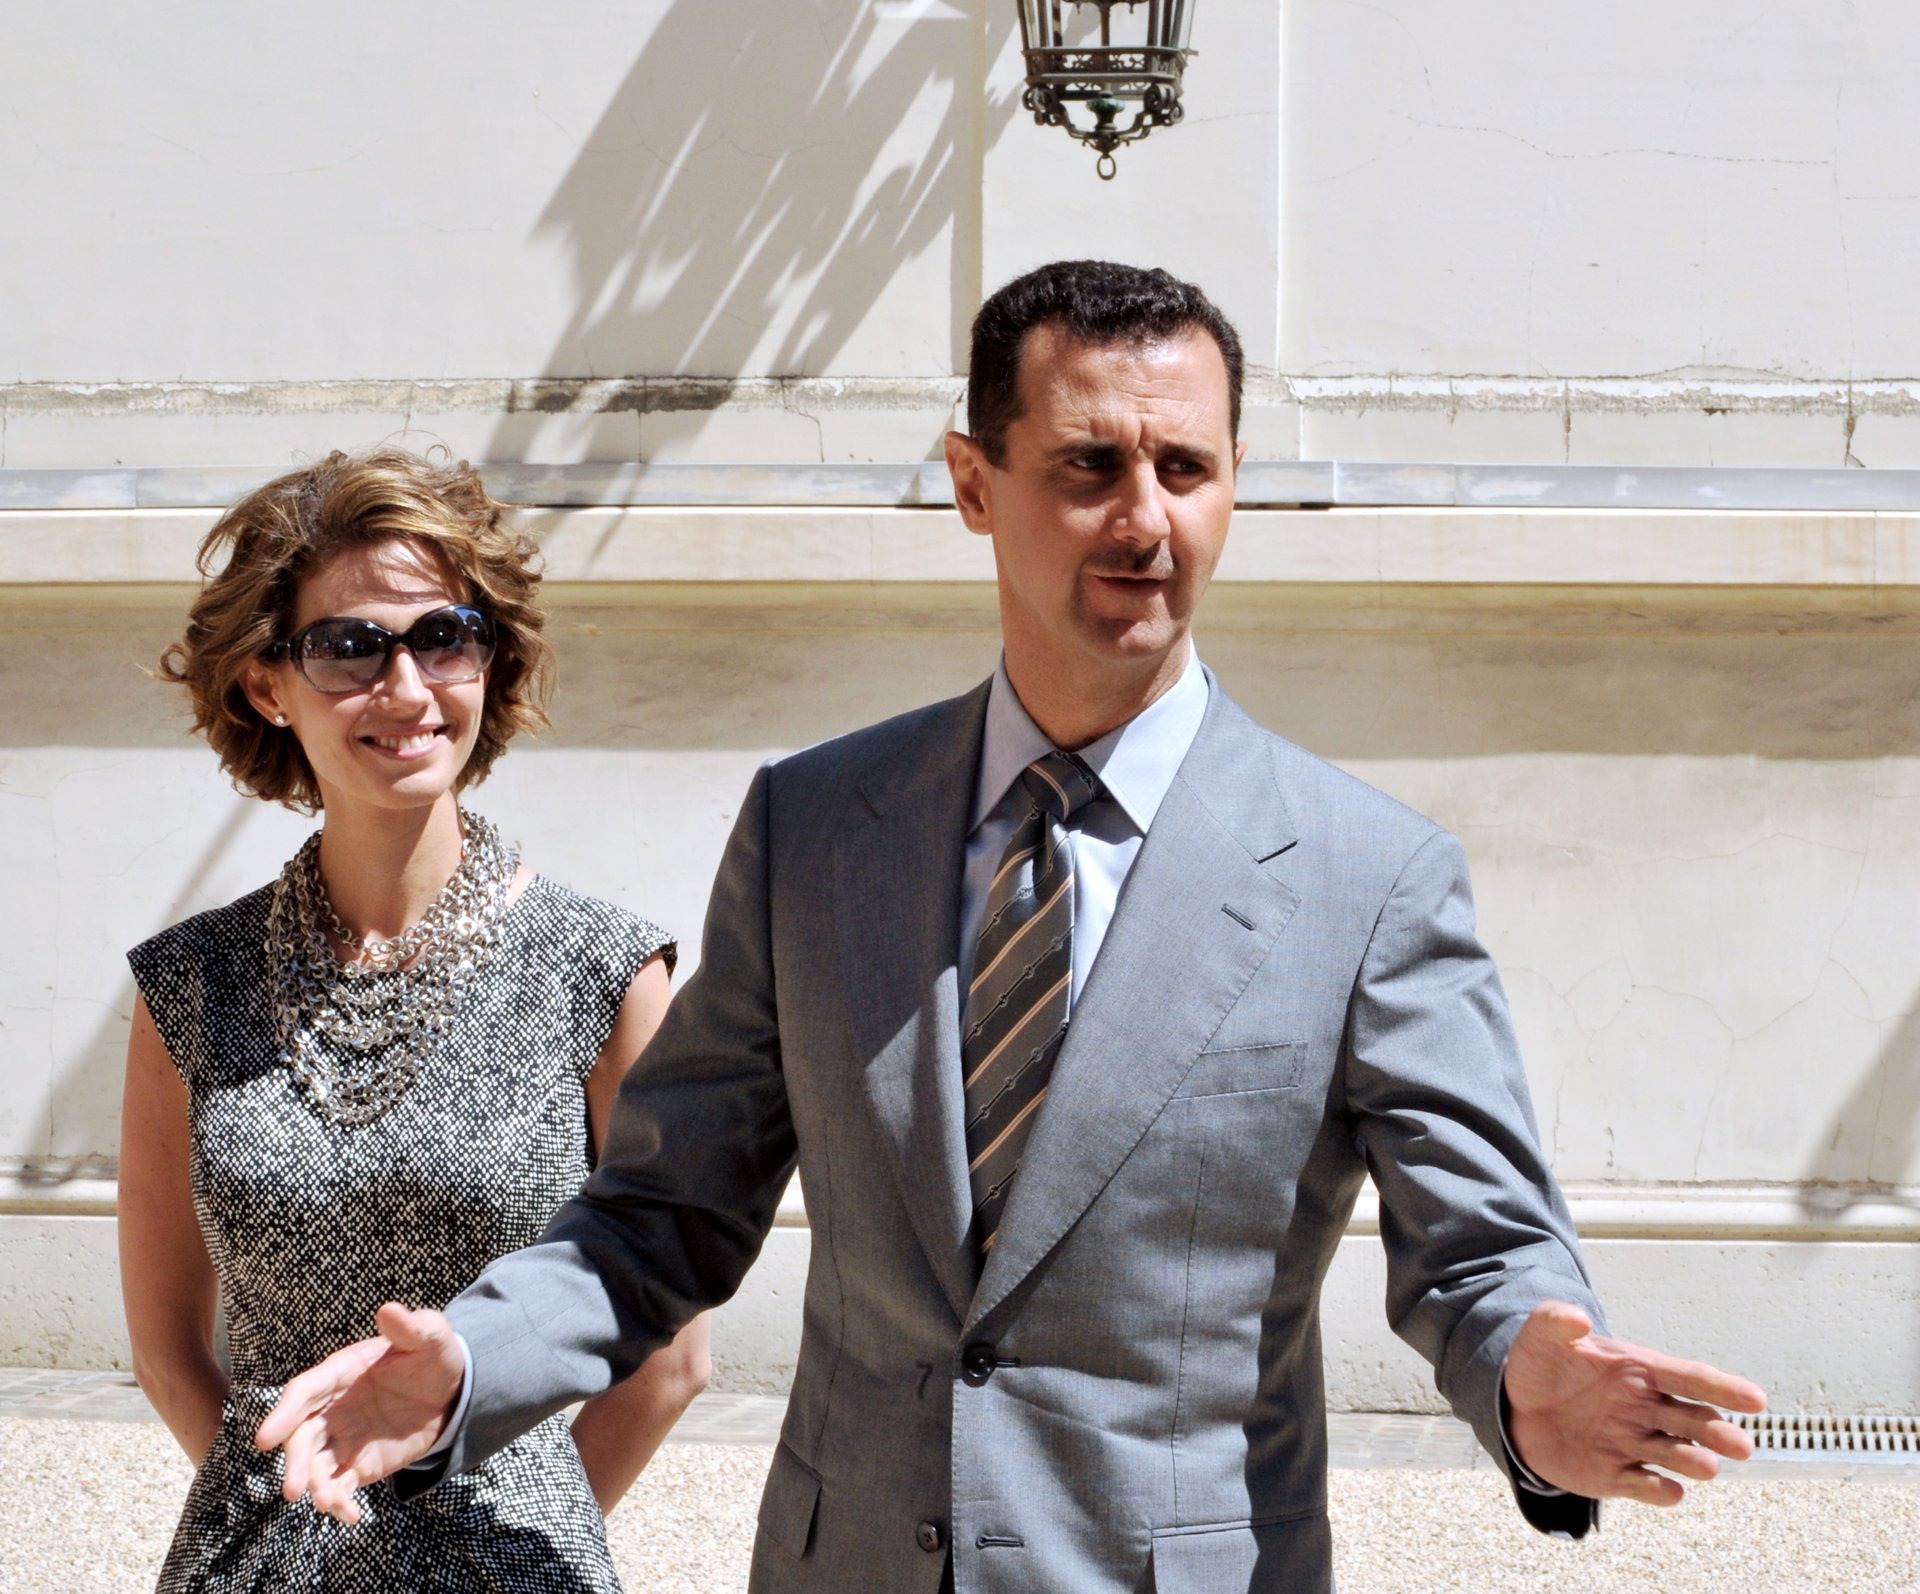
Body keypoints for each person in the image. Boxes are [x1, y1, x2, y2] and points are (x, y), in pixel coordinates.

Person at [258, 267, 1765, 1592]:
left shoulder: (1369, 875)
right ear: (974, 483)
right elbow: (663, 1211)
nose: (1146, 519)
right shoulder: (812, 827)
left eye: (1186, 467)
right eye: (1090, 465)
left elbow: (1481, 1245)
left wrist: (1531, 1369)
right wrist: (476, 1358)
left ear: (1235, 480)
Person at [119, 448, 708, 1592]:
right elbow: (167, 1349)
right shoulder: (190, 985)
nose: (406, 687)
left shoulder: (604, 972)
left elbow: (670, 1360)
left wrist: (512, 1533)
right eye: (350, 646)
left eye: (445, 636)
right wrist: (302, 1517)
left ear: (490, 660)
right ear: (267, 684)